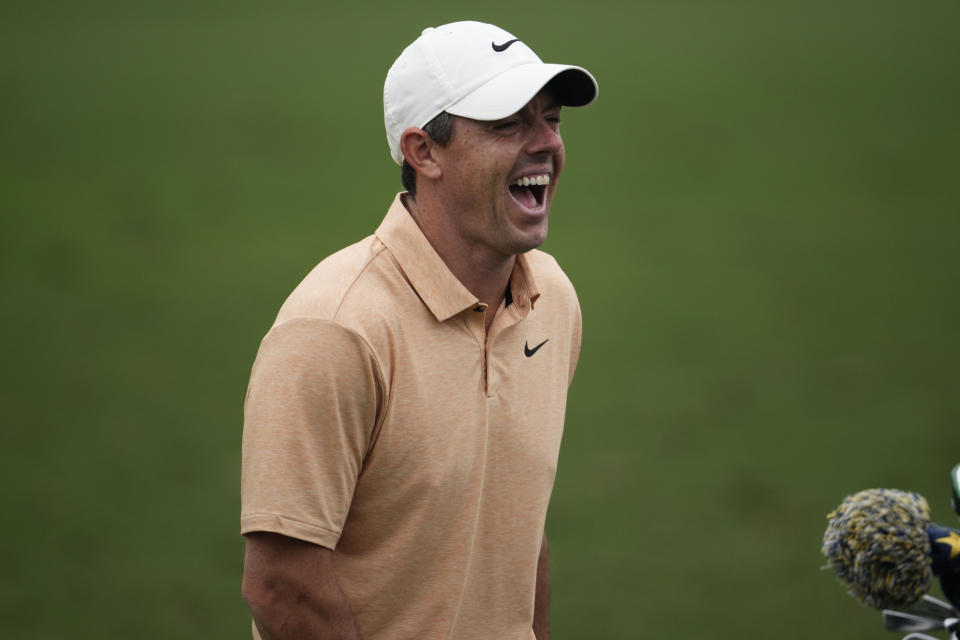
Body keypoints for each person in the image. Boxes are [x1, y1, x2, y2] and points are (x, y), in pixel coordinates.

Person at [240, 20, 598, 640]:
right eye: (508, 124)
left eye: (551, 119)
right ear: (423, 151)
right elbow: (282, 589)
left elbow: (515, 528)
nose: (544, 143)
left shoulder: (552, 301)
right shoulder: (335, 329)